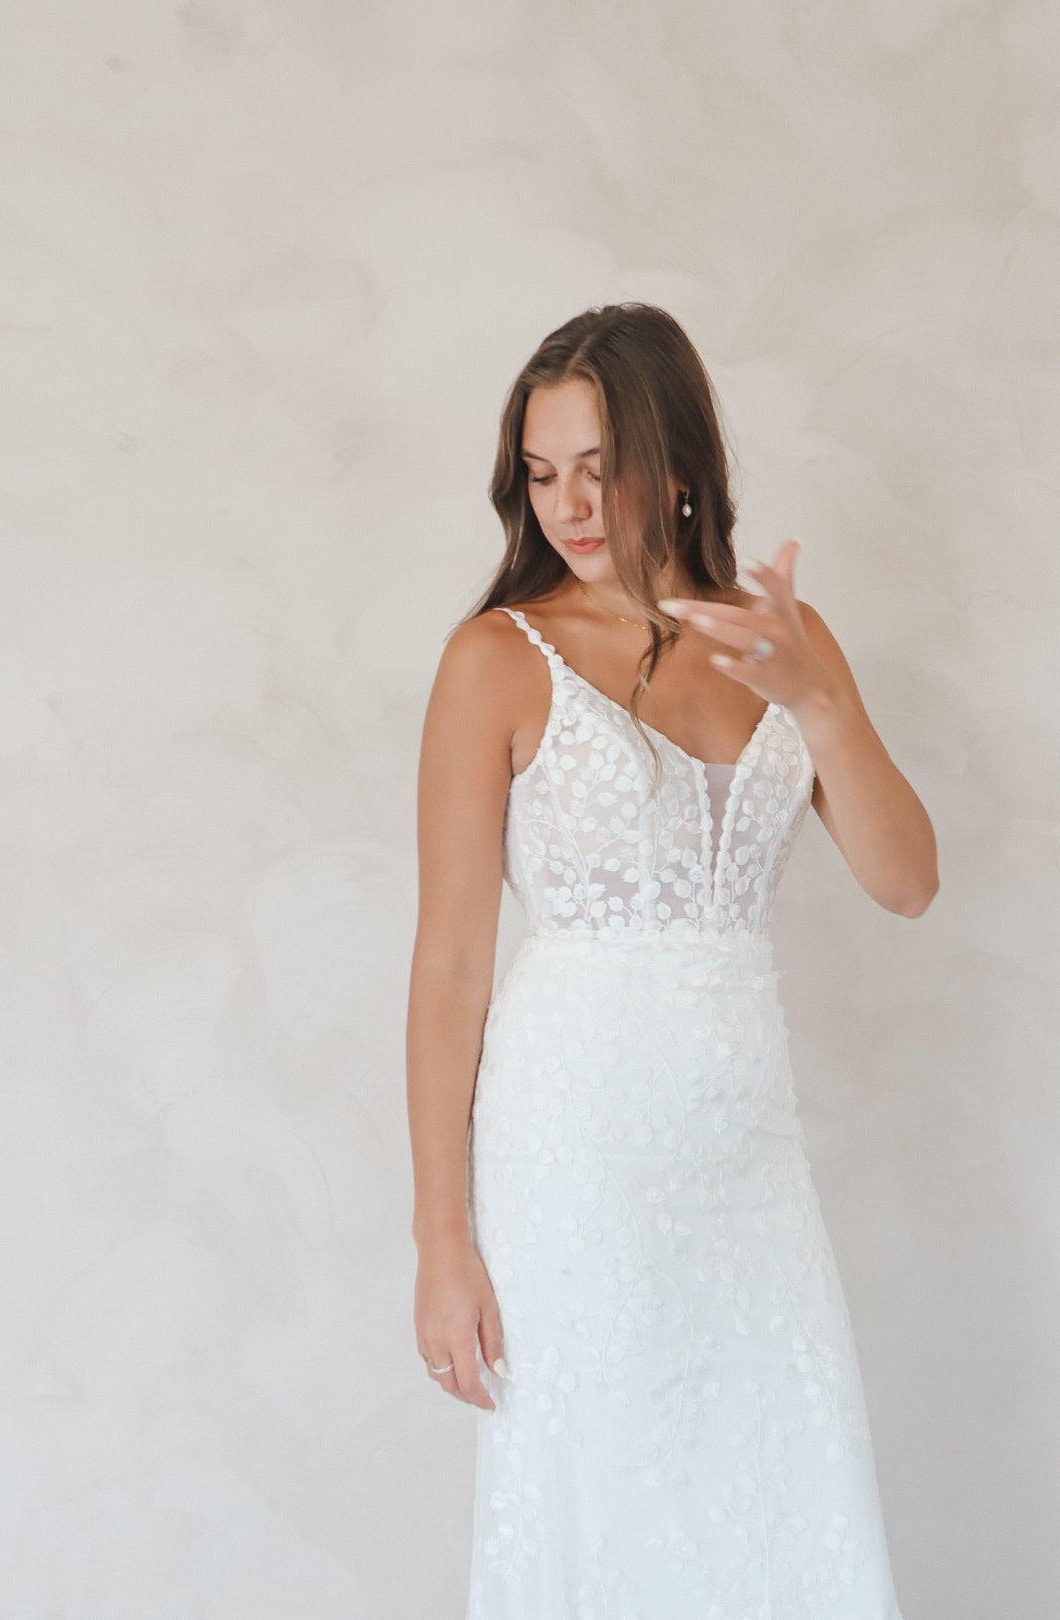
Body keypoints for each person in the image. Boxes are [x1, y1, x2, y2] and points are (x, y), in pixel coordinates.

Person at [406, 302, 937, 1619]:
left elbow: (909, 882)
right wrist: (442, 1240)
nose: (570, 506)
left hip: (750, 1164)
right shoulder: (498, 659)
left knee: (782, 1496)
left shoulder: (781, 645)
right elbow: (451, 965)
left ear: (680, 459)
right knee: (606, 1498)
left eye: (600, 467)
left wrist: (817, 697)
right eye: (543, 473)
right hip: (572, 1159)